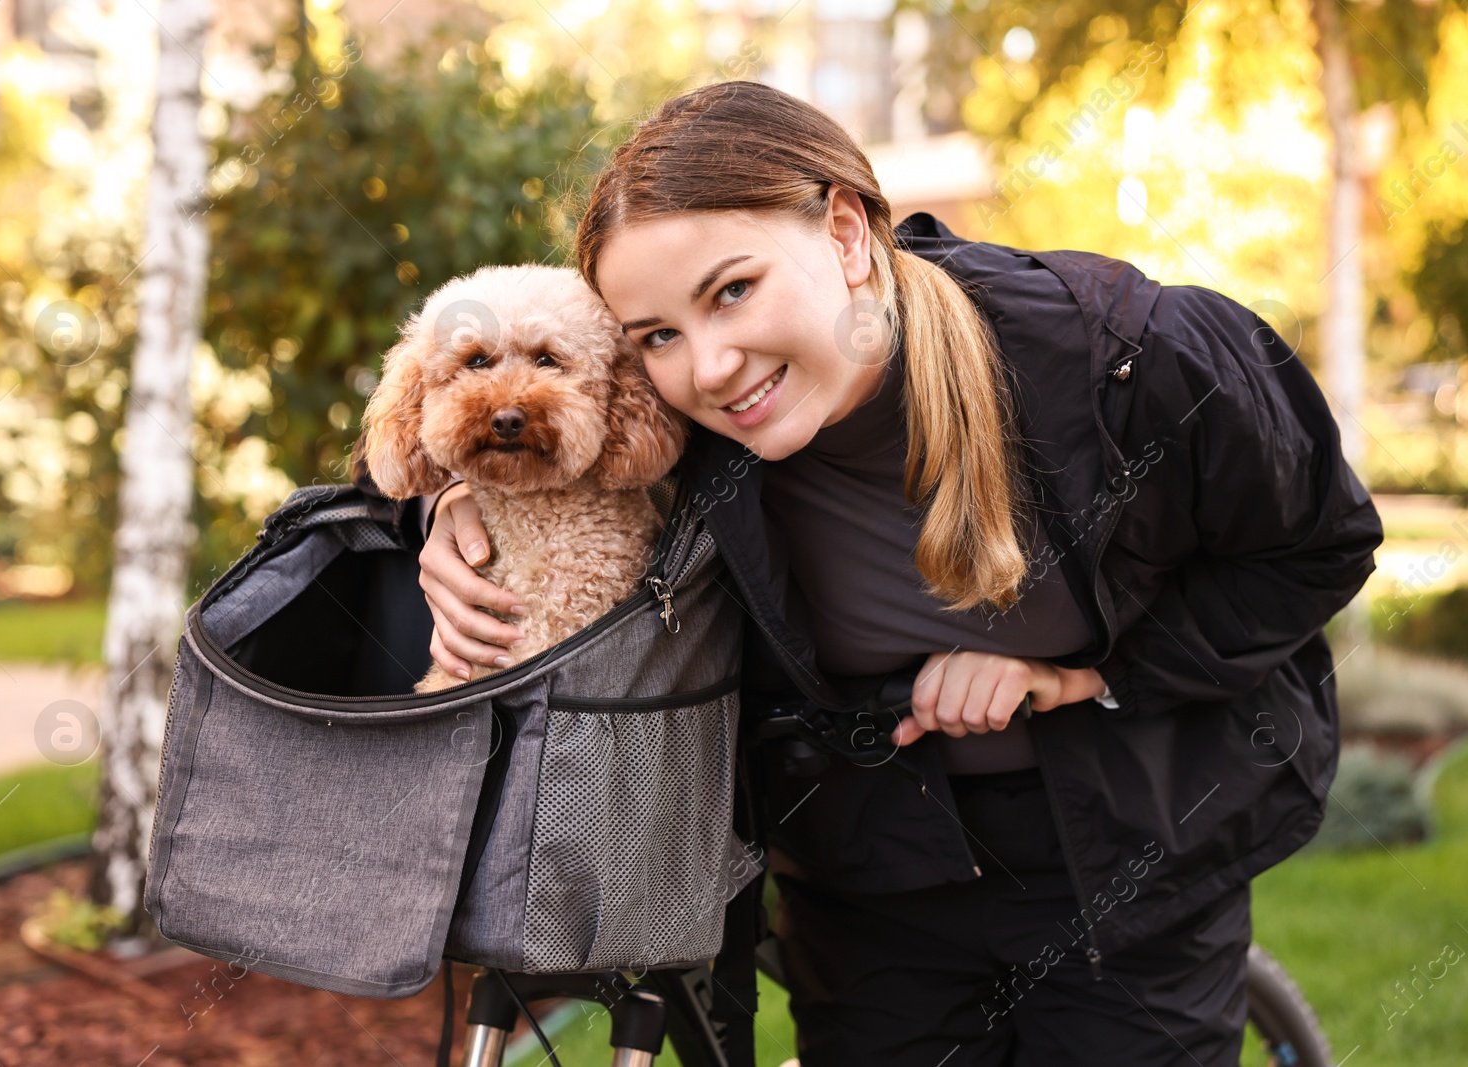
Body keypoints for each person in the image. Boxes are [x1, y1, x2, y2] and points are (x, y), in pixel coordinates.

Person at [408, 81, 1384, 1066]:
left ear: (843, 232)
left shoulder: (1123, 358)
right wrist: (449, 515)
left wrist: (1085, 676)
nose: (707, 366)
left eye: (733, 289)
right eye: (657, 333)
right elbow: (511, 414)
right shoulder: (687, 431)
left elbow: (1317, 543)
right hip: (873, 871)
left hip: (1126, 852)